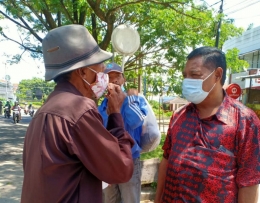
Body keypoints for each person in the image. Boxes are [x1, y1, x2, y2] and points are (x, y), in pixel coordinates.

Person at [21, 25, 135, 203]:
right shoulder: (79, 110)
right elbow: (121, 168)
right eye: (101, 66)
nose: (103, 73)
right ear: (83, 72)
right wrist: (115, 114)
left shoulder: (42, 112)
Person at [155, 46, 260, 203]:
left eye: (195, 75)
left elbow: (248, 182)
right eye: (185, 75)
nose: (187, 80)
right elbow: (166, 160)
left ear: (217, 75)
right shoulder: (179, 116)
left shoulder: (244, 121)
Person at [98, 63, 148, 203]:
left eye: (117, 76)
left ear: (123, 80)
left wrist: (129, 98)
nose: (114, 80)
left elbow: (135, 121)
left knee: (130, 200)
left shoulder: (135, 100)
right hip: (108, 162)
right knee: (110, 199)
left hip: (129, 160)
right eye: (109, 77)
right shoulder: (101, 107)